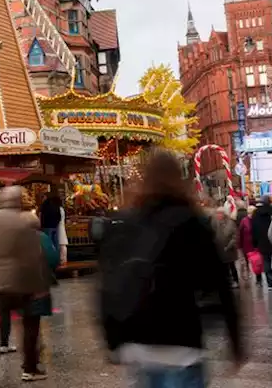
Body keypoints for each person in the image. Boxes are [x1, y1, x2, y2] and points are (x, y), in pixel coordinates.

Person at [99, 150, 243, 387]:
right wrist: (235, 339)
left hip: (139, 345)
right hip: (182, 342)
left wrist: (113, 339)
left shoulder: (126, 222)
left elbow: (108, 283)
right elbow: (219, 283)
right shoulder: (191, 222)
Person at [0, 187, 55, 385]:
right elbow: (31, 257)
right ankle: (29, 366)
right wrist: (38, 283)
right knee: (28, 324)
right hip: (20, 283)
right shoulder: (22, 223)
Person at [251, 197, 272, 290]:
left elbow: (253, 229)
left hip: (262, 241)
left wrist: (255, 243)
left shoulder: (256, 213)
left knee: (266, 263)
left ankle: (271, 283)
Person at [210, 206, 240, 287]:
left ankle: (235, 280)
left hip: (229, 249)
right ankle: (227, 281)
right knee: (223, 267)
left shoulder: (230, 222)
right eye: (217, 213)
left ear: (224, 214)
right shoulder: (214, 222)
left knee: (232, 266)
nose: (218, 215)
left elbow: (235, 236)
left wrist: (229, 246)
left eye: (220, 213)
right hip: (219, 249)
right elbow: (211, 234)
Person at [239, 206, 259, 286]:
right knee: (246, 261)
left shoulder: (256, 220)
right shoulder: (244, 221)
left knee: (256, 261)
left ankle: (258, 278)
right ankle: (247, 275)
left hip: (255, 244)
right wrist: (239, 245)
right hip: (246, 244)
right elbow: (240, 233)